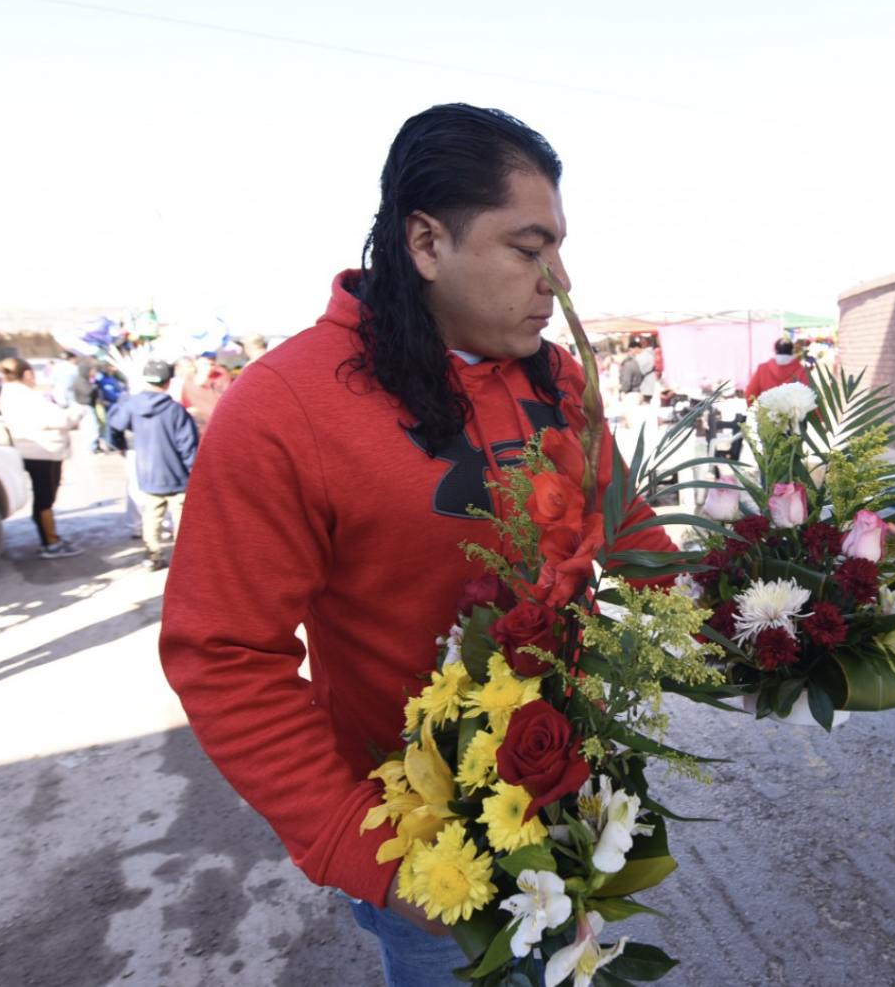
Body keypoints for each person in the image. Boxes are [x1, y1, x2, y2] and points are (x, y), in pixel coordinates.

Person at [158, 103, 675, 987]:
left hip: (572, 804)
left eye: (559, 247)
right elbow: (223, 653)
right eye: (529, 247)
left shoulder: (558, 376)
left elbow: (631, 534)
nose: (561, 281)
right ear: (426, 243)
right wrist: (366, 849)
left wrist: (775, 600)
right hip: (436, 853)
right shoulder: (285, 407)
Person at [106, 359, 197, 571]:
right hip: (177, 475)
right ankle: (185, 561)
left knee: (151, 517)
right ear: (168, 382)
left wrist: (120, 445)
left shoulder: (131, 405)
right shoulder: (176, 411)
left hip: (147, 473)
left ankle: (152, 556)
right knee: (182, 520)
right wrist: (194, 473)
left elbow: (113, 424)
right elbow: (188, 446)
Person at [0, 357, 85, 558]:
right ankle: (50, 542)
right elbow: (59, 420)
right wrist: (78, 410)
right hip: (44, 452)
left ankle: (50, 539)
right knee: (45, 499)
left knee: (42, 498)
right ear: (27, 374)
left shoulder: (9, 393)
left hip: (31, 450)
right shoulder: (25, 396)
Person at [743, 336, 811, 403]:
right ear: (792, 350)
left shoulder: (762, 369)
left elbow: (750, 393)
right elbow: (808, 396)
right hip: (795, 413)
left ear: (775, 350)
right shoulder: (802, 371)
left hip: (766, 412)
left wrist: (758, 411)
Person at [177, 352, 232, 431]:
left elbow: (226, 398)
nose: (209, 368)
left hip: (217, 421)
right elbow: (184, 401)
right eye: (205, 364)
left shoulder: (221, 375)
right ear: (196, 362)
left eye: (212, 364)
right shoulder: (189, 379)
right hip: (197, 423)